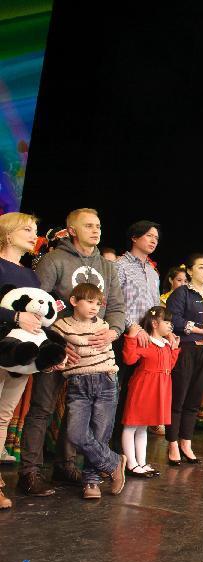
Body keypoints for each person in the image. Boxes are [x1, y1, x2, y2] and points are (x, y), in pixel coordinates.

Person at [20, 208, 125, 497]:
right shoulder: (54, 260)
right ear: (73, 230)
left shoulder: (107, 267)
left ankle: (65, 466)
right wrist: (56, 343)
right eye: (89, 226)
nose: (96, 231)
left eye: (99, 226)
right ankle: (30, 472)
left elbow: (117, 306)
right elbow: (36, 303)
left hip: (92, 353)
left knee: (77, 413)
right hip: (58, 347)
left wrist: (114, 331)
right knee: (42, 408)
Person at [52, 283, 127, 500]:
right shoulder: (62, 326)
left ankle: (91, 481)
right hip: (78, 383)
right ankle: (114, 462)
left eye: (97, 303)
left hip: (106, 379)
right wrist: (59, 356)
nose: (94, 307)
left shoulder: (103, 325)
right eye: (89, 302)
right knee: (76, 433)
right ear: (74, 302)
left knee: (100, 433)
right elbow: (51, 345)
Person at [0, 213, 44, 506]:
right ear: (6, 233)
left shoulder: (31, 275)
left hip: (20, 353)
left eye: (36, 230)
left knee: (3, 414)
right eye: (27, 229)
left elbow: (42, 313)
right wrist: (16, 316)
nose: (34, 235)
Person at [166, 254, 203, 465]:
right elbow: (173, 319)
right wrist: (198, 329)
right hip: (186, 349)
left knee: (195, 398)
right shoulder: (181, 293)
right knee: (179, 397)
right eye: (200, 267)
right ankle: (172, 442)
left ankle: (186, 442)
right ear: (189, 271)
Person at [113, 220, 163, 451]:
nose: (154, 240)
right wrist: (133, 327)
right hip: (125, 336)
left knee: (137, 394)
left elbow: (155, 308)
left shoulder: (153, 273)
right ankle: (110, 448)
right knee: (116, 390)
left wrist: (160, 331)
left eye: (156, 238)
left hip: (147, 340)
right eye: (149, 236)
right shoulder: (120, 266)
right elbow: (115, 303)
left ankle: (130, 451)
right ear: (134, 237)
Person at [120, 306, 180, 478]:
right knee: (132, 425)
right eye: (166, 322)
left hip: (159, 387)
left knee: (143, 427)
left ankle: (142, 462)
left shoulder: (166, 344)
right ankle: (131, 463)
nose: (170, 326)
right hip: (144, 387)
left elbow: (169, 366)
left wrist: (174, 348)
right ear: (155, 323)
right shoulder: (146, 342)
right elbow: (129, 359)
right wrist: (131, 338)